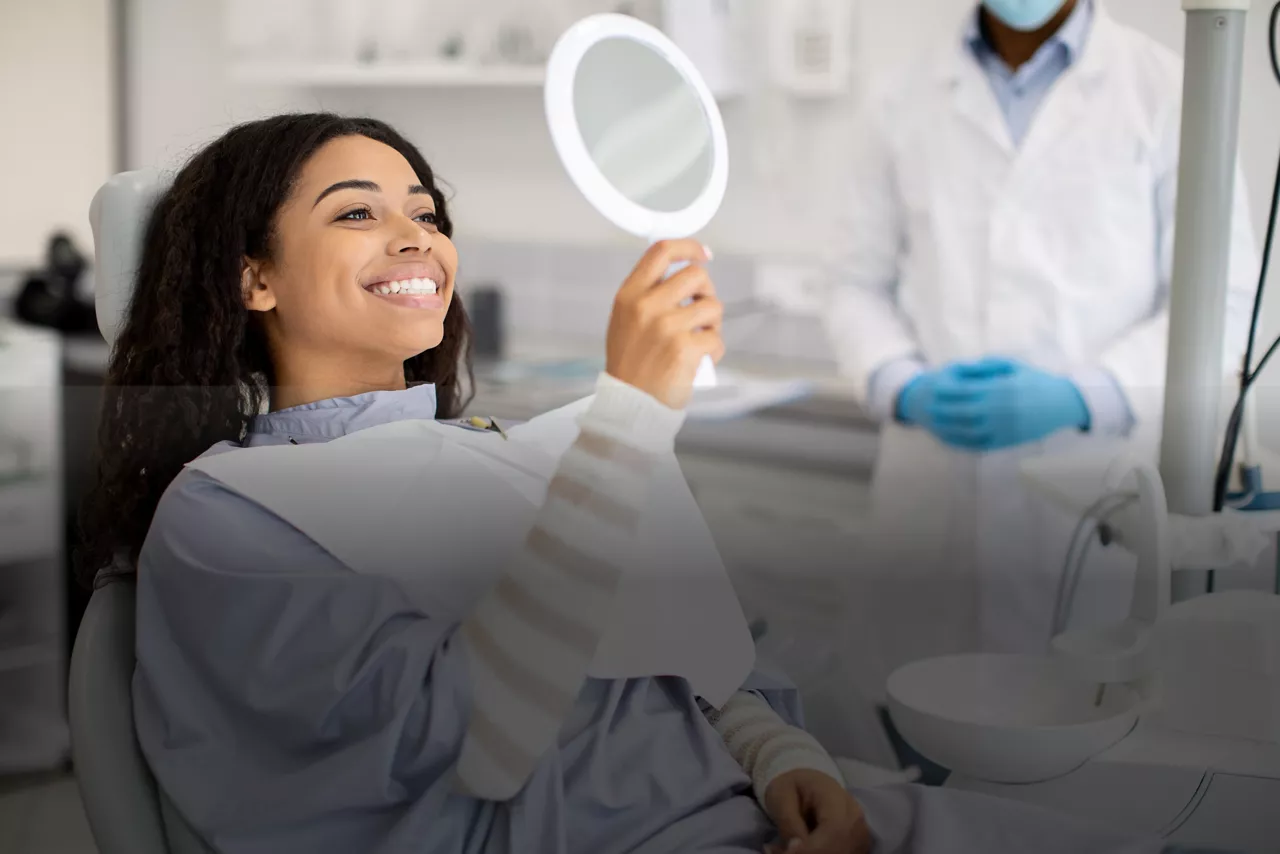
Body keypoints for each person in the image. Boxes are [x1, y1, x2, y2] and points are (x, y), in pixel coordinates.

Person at [77, 113, 1183, 854]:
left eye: (425, 209)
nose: (415, 234)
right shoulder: (226, 516)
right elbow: (479, 736)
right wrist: (628, 422)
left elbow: (688, 653)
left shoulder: (490, 451)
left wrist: (783, 755)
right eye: (358, 210)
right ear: (252, 276)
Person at [823, 0, 1259, 769]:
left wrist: (1085, 395)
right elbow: (853, 282)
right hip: (931, 503)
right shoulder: (902, 96)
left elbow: (1220, 301)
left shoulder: (1168, 90)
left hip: (1097, 505)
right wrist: (901, 383)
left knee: (1086, 775)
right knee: (914, 770)